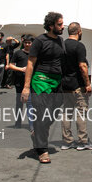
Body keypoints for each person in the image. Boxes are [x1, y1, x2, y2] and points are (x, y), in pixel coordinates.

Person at [21, 12, 65, 163]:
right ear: (51, 26)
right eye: (60, 24)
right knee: (41, 115)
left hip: (56, 83)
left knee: (53, 113)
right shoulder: (39, 41)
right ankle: (42, 150)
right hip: (40, 82)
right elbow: (30, 64)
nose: (63, 26)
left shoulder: (60, 40)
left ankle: (36, 134)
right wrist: (26, 87)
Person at [60, 22, 92, 151]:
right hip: (77, 85)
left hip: (65, 83)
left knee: (66, 112)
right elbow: (83, 66)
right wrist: (87, 84)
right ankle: (83, 141)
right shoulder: (79, 46)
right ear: (79, 31)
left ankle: (67, 141)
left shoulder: (62, 45)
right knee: (81, 112)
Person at [7, 35, 34, 130]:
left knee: (30, 103)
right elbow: (11, 65)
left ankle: (32, 125)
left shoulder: (34, 54)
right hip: (19, 81)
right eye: (26, 42)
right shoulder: (18, 53)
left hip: (31, 81)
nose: (27, 44)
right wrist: (21, 69)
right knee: (19, 102)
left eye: (29, 43)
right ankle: (18, 122)